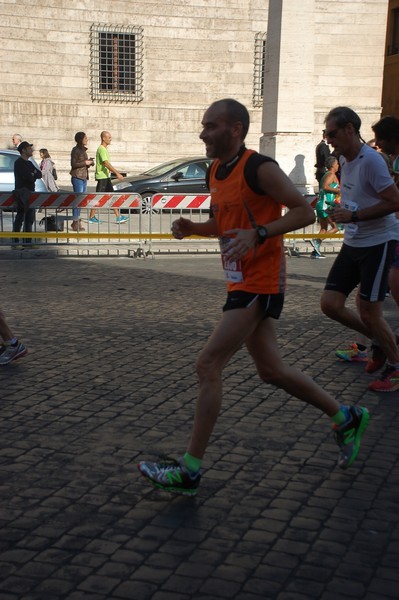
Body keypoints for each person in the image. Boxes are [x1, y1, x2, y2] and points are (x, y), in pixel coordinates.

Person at [137, 98, 369, 497]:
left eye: (211, 126)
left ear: (235, 130)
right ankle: (345, 415)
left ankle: (190, 470)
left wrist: (260, 234)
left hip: (260, 282)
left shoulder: (259, 167)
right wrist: (193, 227)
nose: (202, 132)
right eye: (203, 125)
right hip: (238, 279)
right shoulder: (215, 170)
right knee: (271, 371)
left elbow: (305, 212)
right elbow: (227, 223)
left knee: (208, 363)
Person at [320, 107, 399, 392]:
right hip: (353, 241)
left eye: (332, 133)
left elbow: (393, 202)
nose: (328, 140)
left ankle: (395, 364)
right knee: (330, 304)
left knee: (370, 311)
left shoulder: (373, 161)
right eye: (326, 134)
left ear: (350, 130)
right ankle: (378, 341)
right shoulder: (343, 159)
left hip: (378, 242)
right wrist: (342, 211)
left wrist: (353, 216)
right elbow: (358, 199)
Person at [89, 131, 128, 225]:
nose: (110, 139)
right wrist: (117, 173)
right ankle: (91, 217)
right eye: (109, 137)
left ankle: (118, 217)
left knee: (111, 196)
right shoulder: (101, 149)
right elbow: (106, 163)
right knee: (98, 197)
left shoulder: (104, 149)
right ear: (104, 138)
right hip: (102, 177)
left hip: (105, 177)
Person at [13, 141, 42, 247]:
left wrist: (33, 174)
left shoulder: (29, 163)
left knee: (29, 218)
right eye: (29, 148)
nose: (31, 150)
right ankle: (15, 241)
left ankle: (27, 242)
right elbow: (28, 177)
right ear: (23, 150)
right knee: (20, 217)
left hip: (30, 193)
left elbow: (39, 174)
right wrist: (32, 174)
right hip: (21, 192)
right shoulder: (19, 163)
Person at [311, 155, 341, 259]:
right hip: (325, 205)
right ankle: (317, 241)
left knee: (323, 229)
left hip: (321, 204)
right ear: (333, 165)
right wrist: (339, 191)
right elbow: (325, 187)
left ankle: (315, 251)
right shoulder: (331, 175)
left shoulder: (327, 174)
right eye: (337, 163)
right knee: (336, 227)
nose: (338, 165)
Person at [70, 132, 94, 232]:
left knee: (80, 201)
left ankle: (76, 221)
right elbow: (73, 164)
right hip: (77, 177)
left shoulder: (83, 150)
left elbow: (82, 163)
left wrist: (89, 162)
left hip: (83, 177)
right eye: (85, 138)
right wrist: (85, 162)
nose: (87, 139)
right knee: (77, 200)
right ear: (80, 139)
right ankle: (75, 222)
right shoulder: (76, 150)